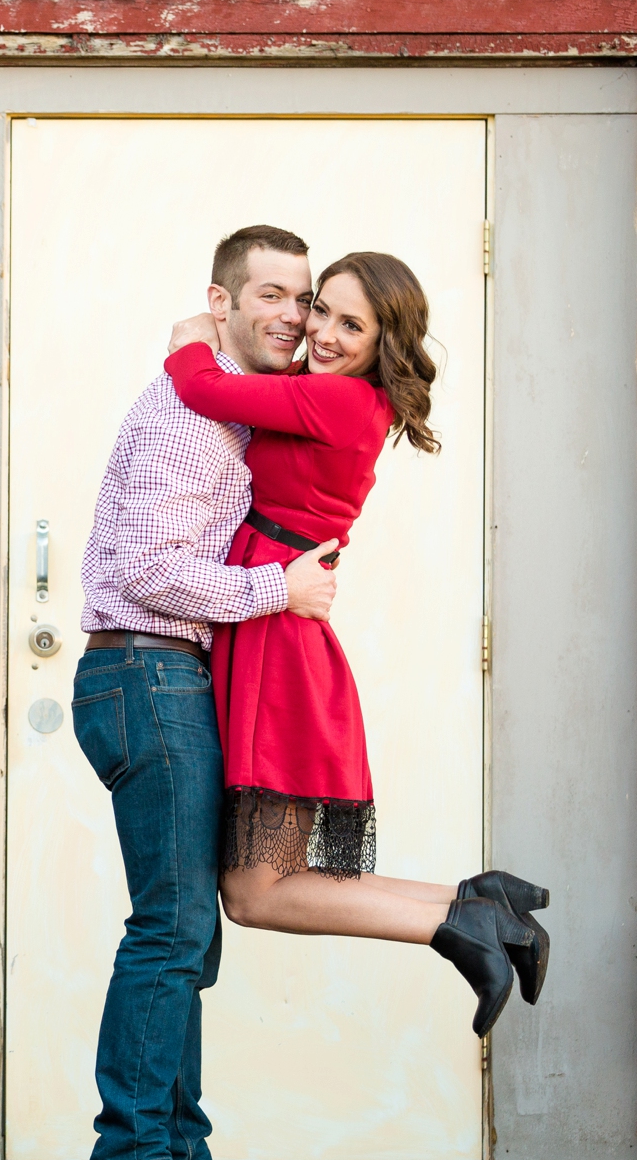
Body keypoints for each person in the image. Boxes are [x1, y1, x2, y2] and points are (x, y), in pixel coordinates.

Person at [160, 251, 553, 1044]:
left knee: (254, 893)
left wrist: (190, 335)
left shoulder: (338, 398)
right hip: (271, 627)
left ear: (384, 342)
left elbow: (201, 387)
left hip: (274, 640)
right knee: (260, 887)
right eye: (322, 311)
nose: (326, 334)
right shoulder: (331, 395)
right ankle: (474, 903)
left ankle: (461, 924)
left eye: (352, 324)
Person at [68, 226, 340, 1160]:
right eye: (269, 293)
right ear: (219, 302)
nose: (292, 315)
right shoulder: (192, 417)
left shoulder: (223, 410)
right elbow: (146, 570)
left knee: (186, 927)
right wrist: (282, 588)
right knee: (172, 926)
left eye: (303, 298)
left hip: (157, 676)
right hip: (145, 671)